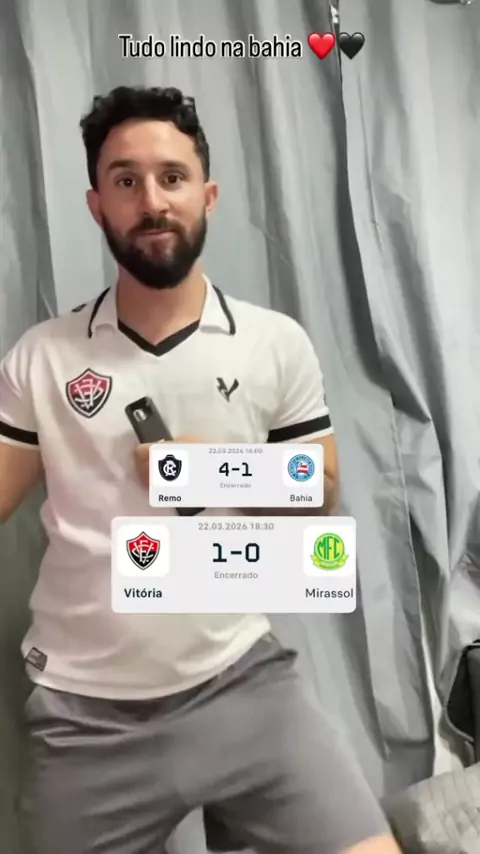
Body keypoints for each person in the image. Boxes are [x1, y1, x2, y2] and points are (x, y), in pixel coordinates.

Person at [0, 86, 401, 854]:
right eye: (126, 181)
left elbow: (320, 491)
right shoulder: (42, 357)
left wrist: (211, 473)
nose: (152, 201)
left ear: (207, 195)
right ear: (96, 206)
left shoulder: (273, 342)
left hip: (242, 685)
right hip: (86, 721)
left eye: (172, 177)